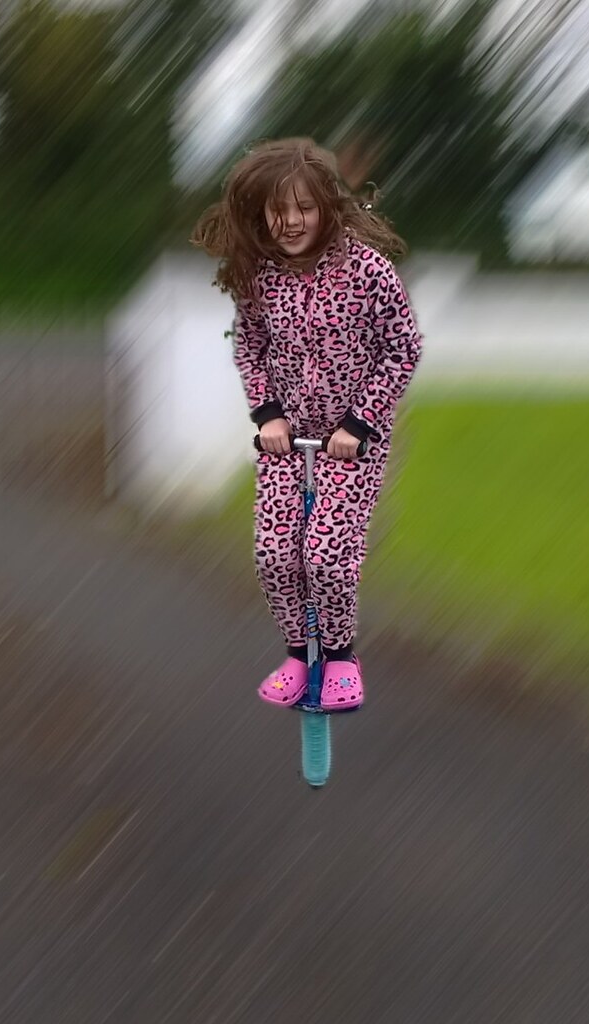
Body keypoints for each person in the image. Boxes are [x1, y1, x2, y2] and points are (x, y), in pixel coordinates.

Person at [191, 137, 423, 710]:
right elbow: (248, 349)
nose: (290, 221)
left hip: (353, 440)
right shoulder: (259, 278)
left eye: (304, 208)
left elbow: (403, 350)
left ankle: (341, 656)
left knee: (325, 556)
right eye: (277, 210)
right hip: (285, 438)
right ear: (260, 215)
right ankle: (299, 652)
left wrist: (359, 424)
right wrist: (267, 413)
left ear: (327, 207)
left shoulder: (368, 272)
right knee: (274, 553)